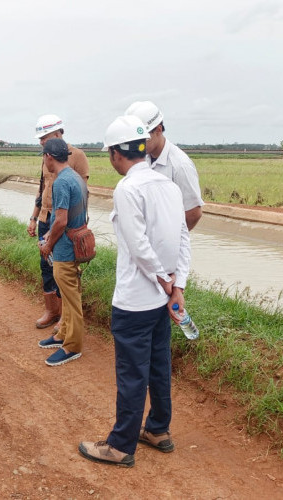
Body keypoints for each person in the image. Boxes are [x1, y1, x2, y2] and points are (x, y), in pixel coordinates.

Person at [79, 116, 191, 467]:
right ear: (142, 148)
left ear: (115, 154)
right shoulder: (167, 186)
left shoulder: (127, 189)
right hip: (161, 299)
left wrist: (162, 278)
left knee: (131, 372)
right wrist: (177, 285)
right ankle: (158, 429)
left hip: (135, 301)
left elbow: (138, 245)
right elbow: (184, 236)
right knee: (158, 365)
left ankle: (121, 445)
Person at [28, 115, 89, 333]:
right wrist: (34, 217)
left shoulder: (77, 156)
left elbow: (83, 194)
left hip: (66, 223)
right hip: (46, 219)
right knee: (47, 266)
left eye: (44, 137)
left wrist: (80, 225)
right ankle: (51, 311)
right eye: (40, 138)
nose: (41, 142)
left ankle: (65, 318)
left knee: (65, 268)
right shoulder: (47, 156)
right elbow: (41, 189)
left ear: (58, 133)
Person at [36, 139, 87, 366]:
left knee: (71, 298)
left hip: (65, 249)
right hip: (76, 242)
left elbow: (61, 220)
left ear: (49, 157)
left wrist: (48, 244)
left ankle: (72, 346)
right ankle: (63, 334)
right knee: (68, 295)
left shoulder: (60, 182)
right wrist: (49, 236)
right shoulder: (76, 177)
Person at [125, 101, 204, 230]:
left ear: (158, 130)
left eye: (143, 139)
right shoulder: (142, 158)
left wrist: (170, 238)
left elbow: (193, 213)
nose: (138, 144)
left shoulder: (180, 166)